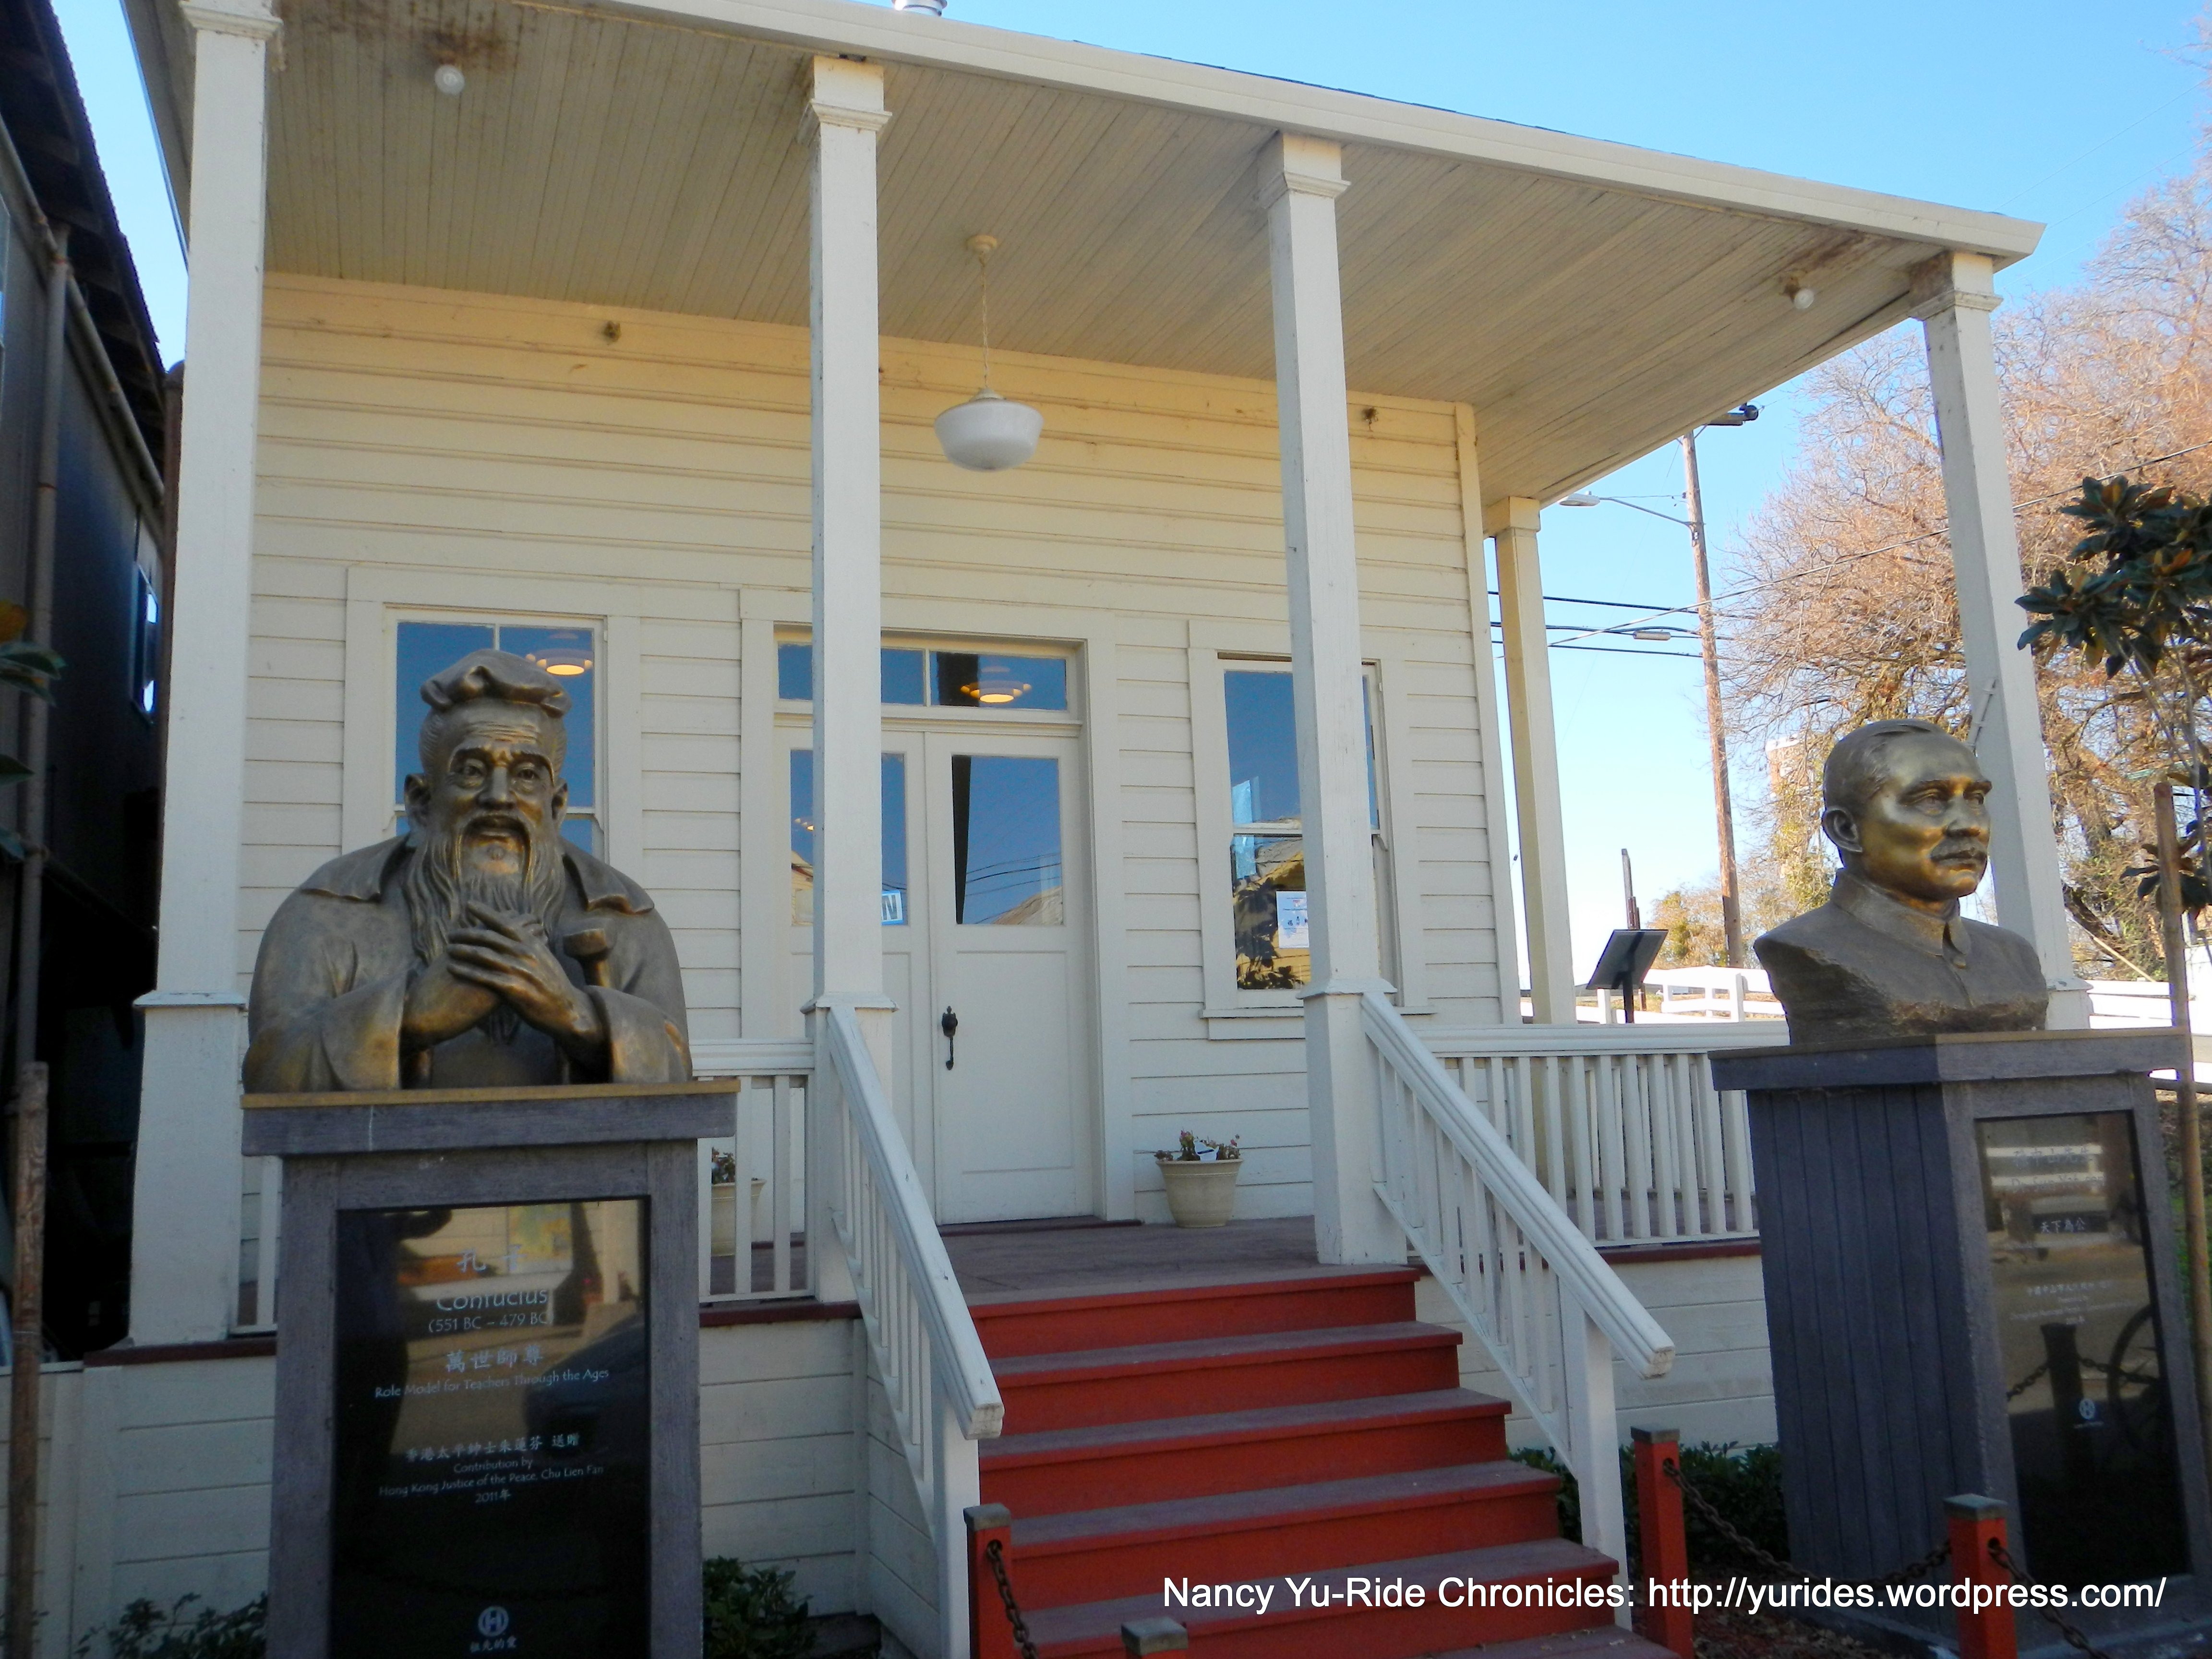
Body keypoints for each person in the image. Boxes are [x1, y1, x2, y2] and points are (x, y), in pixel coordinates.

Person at [245, 650, 690, 1091]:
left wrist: (577, 1017)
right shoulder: (330, 912)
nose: (499, 797)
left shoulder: (622, 917)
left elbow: (674, 1078)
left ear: (556, 807)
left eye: (527, 775)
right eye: (472, 771)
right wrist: (408, 1019)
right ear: (421, 802)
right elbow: (271, 1076)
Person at [1754, 719, 2049, 1042]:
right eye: (1931, 799)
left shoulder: (2014, 955)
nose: (1970, 824)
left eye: (1976, 798)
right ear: (1847, 830)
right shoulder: (1804, 948)